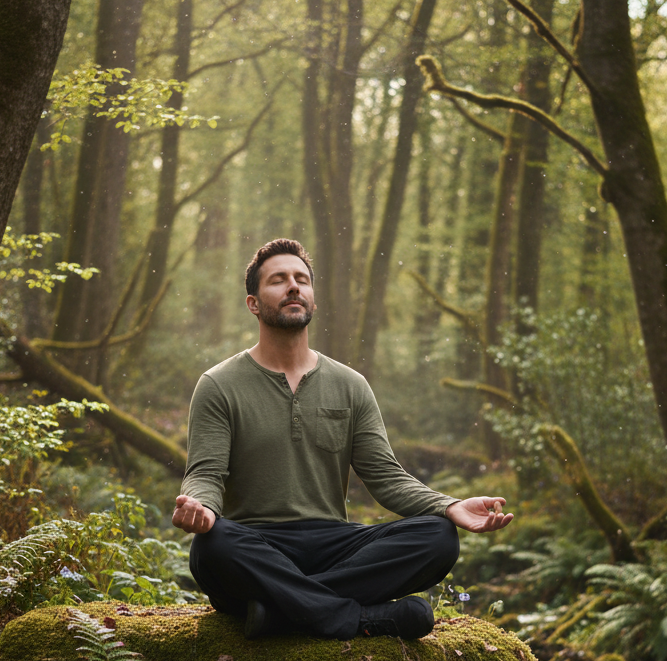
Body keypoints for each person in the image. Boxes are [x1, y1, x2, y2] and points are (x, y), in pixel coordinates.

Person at [173, 238, 512, 640]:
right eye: (278, 280)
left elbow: (386, 477)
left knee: (437, 537)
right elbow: (206, 474)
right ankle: (360, 618)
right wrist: (202, 507)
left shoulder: (351, 385)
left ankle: (282, 613)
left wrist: (450, 506)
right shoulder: (218, 385)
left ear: (313, 299)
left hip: (333, 544)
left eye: (301, 279)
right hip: (257, 544)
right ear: (253, 303)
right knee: (211, 548)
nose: (293, 287)